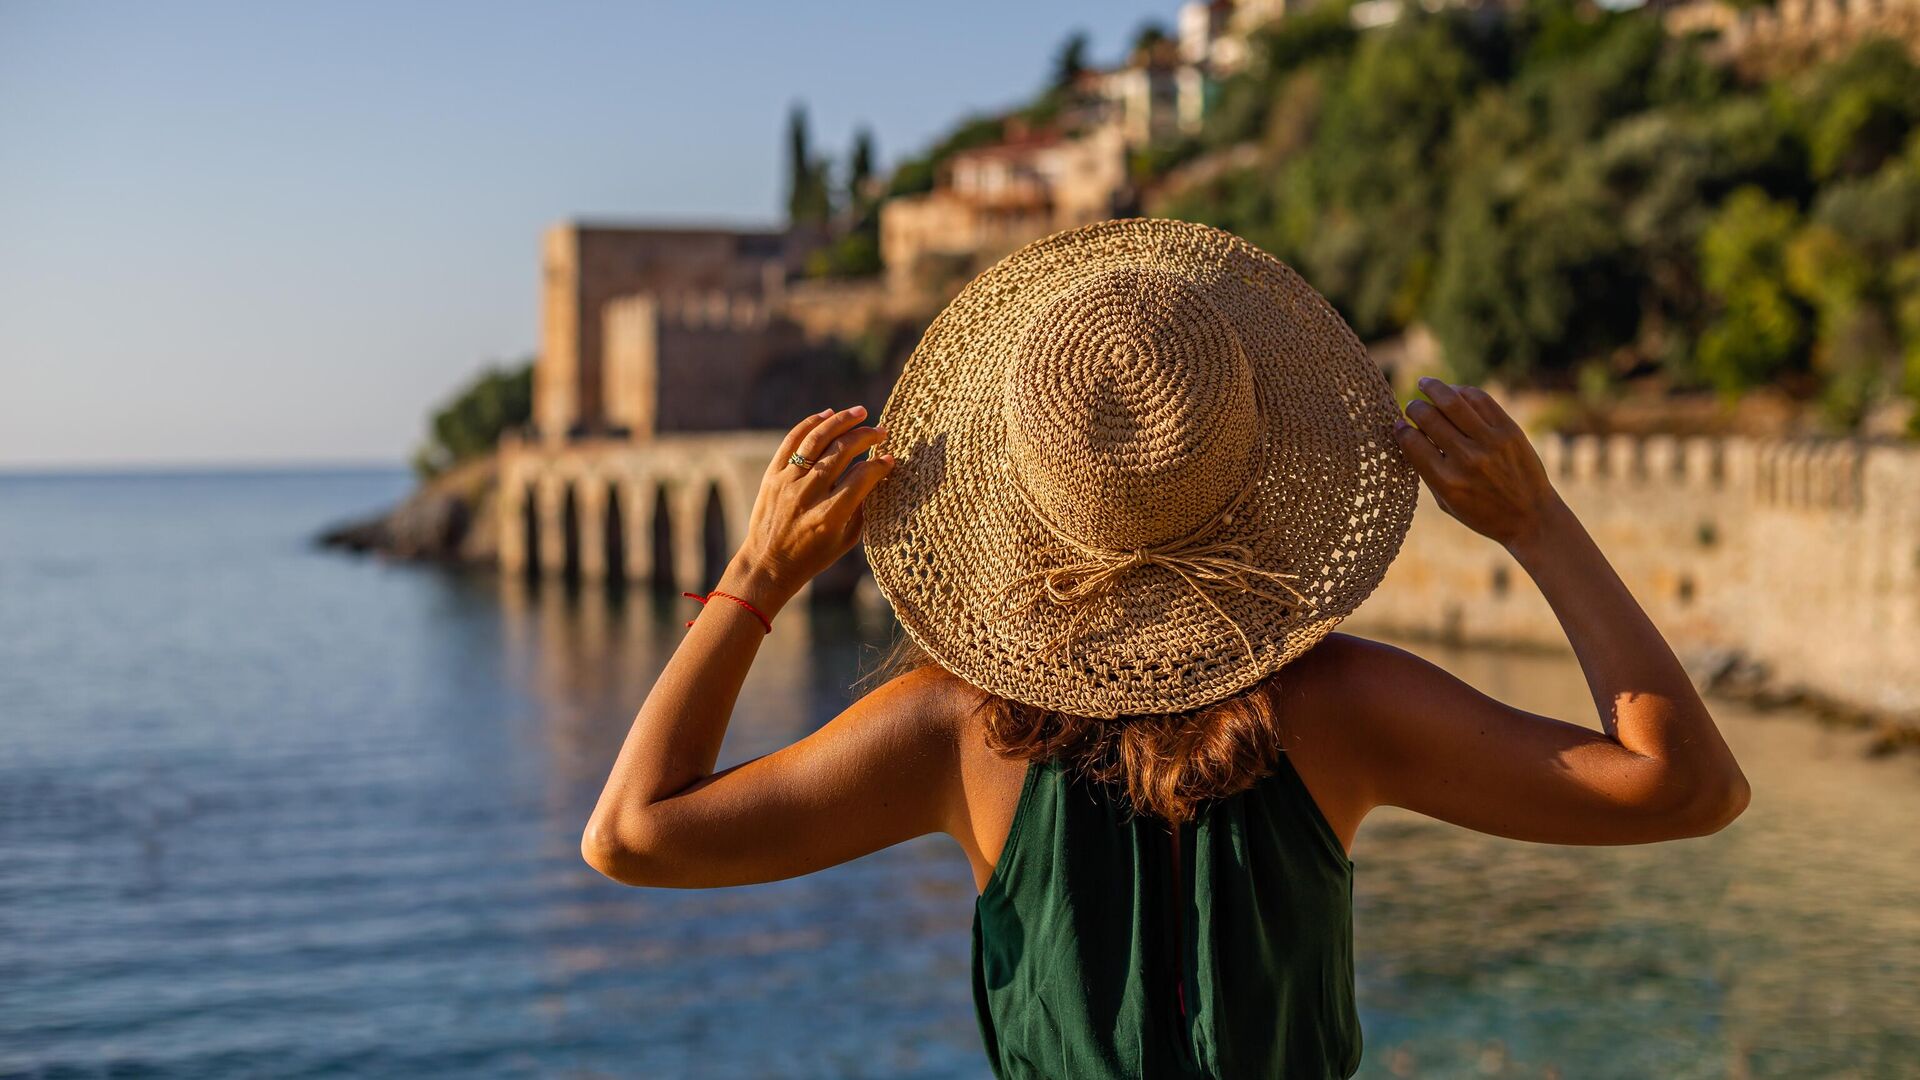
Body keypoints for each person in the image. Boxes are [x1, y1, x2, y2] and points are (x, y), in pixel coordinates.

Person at [581, 219, 1750, 1079]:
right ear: (1260, 463)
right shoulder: (1341, 710)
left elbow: (633, 835)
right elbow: (1688, 786)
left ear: (1018, 498)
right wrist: (1535, 524)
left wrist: (756, 578)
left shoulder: (958, 734)